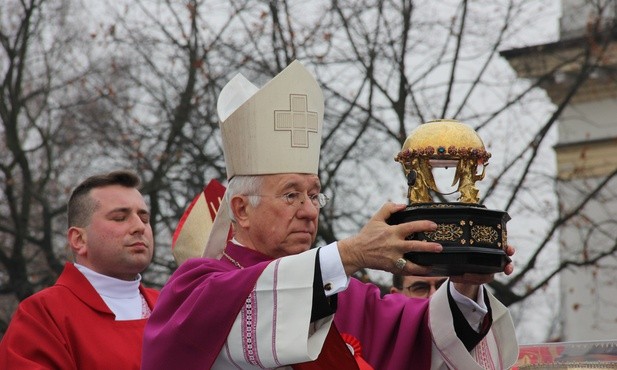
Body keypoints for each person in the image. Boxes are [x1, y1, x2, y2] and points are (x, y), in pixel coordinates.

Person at [141, 61, 519, 369]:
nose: (308, 211)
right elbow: (241, 317)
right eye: (291, 195)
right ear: (241, 209)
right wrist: (352, 253)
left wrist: (465, 279)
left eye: (314, 195)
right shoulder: (198, 287)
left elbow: (423, 339)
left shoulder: (341, 291)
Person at [0, 170, 159, 370]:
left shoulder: (173, 309)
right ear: (79, 240)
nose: (139, 227)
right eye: (120, 218)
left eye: (144, 219)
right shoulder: (43, 315)